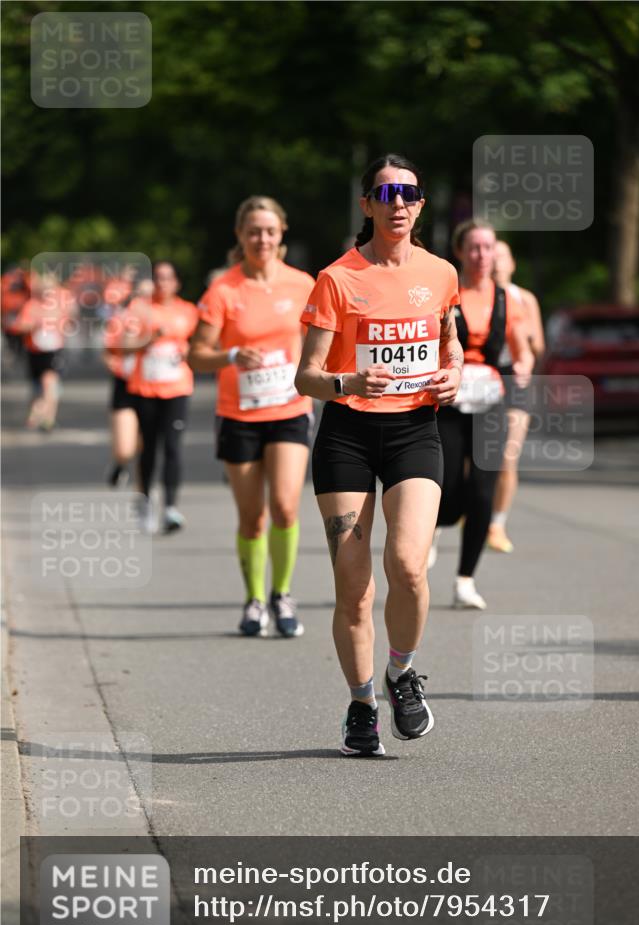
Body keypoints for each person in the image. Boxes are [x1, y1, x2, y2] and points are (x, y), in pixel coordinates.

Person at [294, 153, 462, 757]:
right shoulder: (338, 278)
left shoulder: (441, 273)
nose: (397, 203)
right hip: (347, 434)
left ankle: (401, 673)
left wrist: (453, 374)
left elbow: (451, 339)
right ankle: (363, 703)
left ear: (420, 204)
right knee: (354, 586)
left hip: (416, 429)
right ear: (367, 204)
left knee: (410, 567)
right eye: (385, 193)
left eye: (408, 193)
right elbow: (305, 377)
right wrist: (347, 385)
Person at [188, 196, 315, 638]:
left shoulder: (302, 284)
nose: (262, 239)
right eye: (253, 231)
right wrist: (231, 355)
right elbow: (195, 355)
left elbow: (322, 343)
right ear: (240, 237)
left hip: (289, 409)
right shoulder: (223, 290)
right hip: (238, 414)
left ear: (281, 235)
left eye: (270, 231)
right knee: (252, 517)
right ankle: (254, 599)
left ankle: (282, 594)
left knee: (284, 506)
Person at [432, 220, 532, 609]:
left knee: (483, 490)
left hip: (490, 399)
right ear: (460, 252)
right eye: (474, 248)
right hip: (450, 401)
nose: (482, 255)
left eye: (488, 248)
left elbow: (521, 349)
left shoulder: (507, 299)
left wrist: (523, 364)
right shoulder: (445, 294)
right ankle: (440, 525)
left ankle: (465, 580)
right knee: (450, 486)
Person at [126, 261, 198, 532]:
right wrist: (150, 338)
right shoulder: (138, 309)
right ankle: (145, 502)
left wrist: (187, 350)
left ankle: (170, 507)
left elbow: (200, 344)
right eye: (157, 278)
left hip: (177, 388)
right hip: (145, 388)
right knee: (149, 448)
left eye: (168, 278)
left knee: (172, 446)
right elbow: (123, 345)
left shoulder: (188, 311)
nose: (162, 283)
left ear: (177, 283)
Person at [488, 240, 545, 553]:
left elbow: (539, 347)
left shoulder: (525, 299)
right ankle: (474, 507)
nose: (496, 263)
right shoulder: (472, 295)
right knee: (472, 457)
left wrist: (525, 341)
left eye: (502, 258)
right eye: (491, 257)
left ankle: (497, 523)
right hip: (481, 377)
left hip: (514, 379)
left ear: (512, 264)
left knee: (508, 457)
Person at [102, 277, 152, 488]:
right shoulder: (121, 320)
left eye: (151, 295)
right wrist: (112, 363)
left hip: (154, 387)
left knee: (145, 446)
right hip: (125, 384)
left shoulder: (163, 319)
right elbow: (108, 351)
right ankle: (120, 463)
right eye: (141, 294)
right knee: (125, 447)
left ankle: (143, 492)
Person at [15, 272, 77, 431]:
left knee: (50, 383)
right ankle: (37, 413)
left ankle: (48, 419)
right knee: (37, 387)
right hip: (34, 351)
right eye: (44, 288)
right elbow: (20, 327)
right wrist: (34, 325)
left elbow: (70, 322)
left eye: (51, 288)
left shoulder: (59, 305)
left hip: (53, 351)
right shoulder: (32, 305)